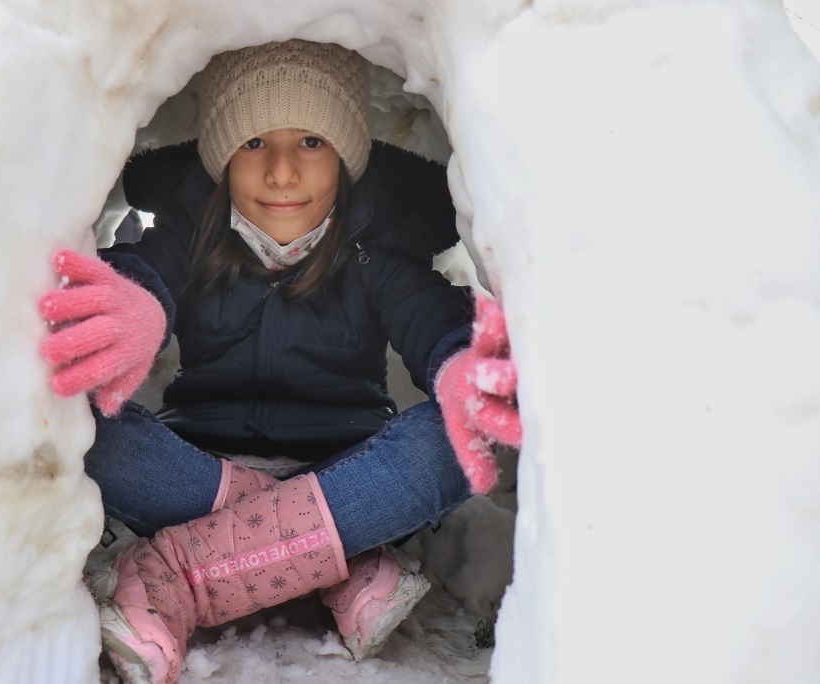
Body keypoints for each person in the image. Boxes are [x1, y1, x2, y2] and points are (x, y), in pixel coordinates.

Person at [38, 39, 522, 684]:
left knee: (464, 436)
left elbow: (431, 320)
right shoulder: (194, 234)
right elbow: (145, 269)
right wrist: (138, 308)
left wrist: (460, 363)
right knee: (75, 414)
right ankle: (341, 555)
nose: (283, 173)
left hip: (347, 468)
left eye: (312, 143)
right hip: (197, 474)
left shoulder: (376, 252)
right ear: (221, 159)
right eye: (255, 144)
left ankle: (177, 576)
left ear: (347, 159)